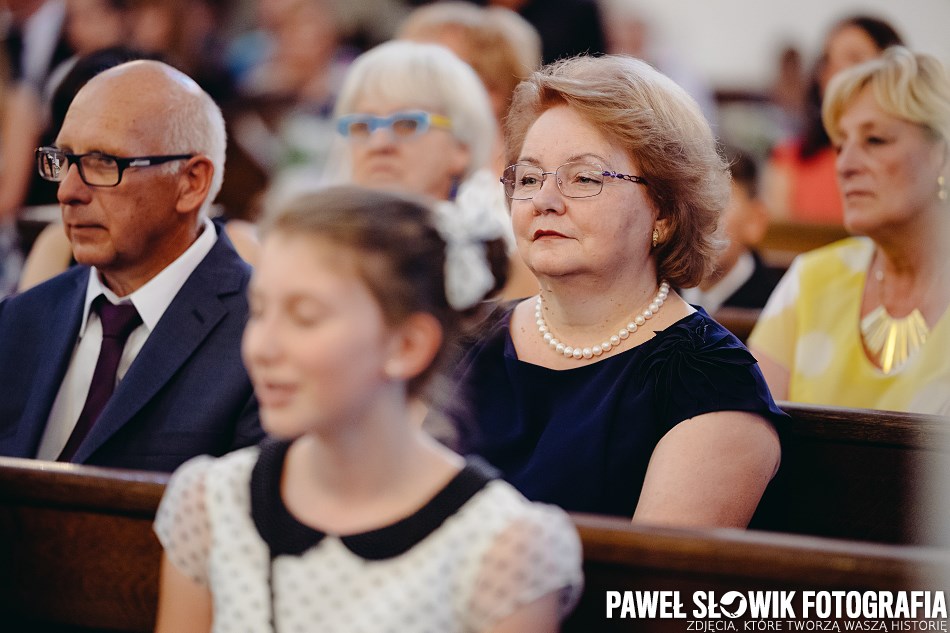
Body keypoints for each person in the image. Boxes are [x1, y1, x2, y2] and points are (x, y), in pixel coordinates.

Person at [153, 185, 583, 632]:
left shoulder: (502, 548)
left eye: (305, 316)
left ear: (406, 346)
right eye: (259, 311)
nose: (262, 347)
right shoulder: (210, 505)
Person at [447, 54, 784, 527]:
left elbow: (648, 592)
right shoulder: (468, 338)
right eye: (528, 178)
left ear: (664, 213)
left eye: (583, 178)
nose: (543, 201)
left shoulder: (709, 382)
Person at [0, 60, 262, 470]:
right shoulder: (18, 321)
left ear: (191, 182)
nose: (68, 191)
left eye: (104, 161)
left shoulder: (265, 338)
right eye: (64, 159)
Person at [749, 47, 950, 416]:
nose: (845, 165)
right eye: (841, 145)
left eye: (875, 141)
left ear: (942, 154)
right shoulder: (812, 280)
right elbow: (749, 427)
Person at [331, 40, 520, 301]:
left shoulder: (497, 263)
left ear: (461, 147)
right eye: (362, 126)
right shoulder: (315, 250)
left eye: (407, 124)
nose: (379, 144)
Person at [762, 15, 903, 225]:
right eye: (827, 60)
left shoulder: (904, 159)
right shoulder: (788, 161)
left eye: (854, 58)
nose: (835, 72)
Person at [680, 150, 783, 313]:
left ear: (755, 221)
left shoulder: (776, 307)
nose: (702, 216)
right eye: (693, 200)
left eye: (718, 201)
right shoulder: (652, 294)